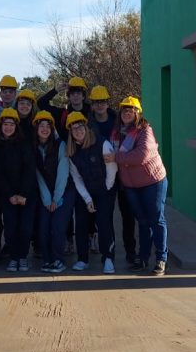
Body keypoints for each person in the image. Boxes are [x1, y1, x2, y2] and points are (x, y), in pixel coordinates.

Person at [106, 97, 169, 275]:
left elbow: (140, 156)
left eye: (131, 110)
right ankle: (142, 259)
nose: (127, 112)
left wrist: (116, 158)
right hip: (131, 185)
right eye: (124, 109)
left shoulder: (145, 131)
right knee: (142, 221)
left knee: (156, 219)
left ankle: (160, 259)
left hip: (152, 182)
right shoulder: (116, 133)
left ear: (138, 113)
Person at [64, 111, 118, 274]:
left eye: (81, 127)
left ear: (86, 128)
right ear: (71, 133)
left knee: (103, 222)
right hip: (86, 192)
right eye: (74, 129)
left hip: (106, 189)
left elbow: (112, 169)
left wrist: (104, 191)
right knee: (81, 223)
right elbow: (77, 178)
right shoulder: (72, 152)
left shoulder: (102, 144)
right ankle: (82, 259)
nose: (78, 131)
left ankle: (108, 258)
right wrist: (87, 199)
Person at [89, 85, 134, 264]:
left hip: (123, 175)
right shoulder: (87, 122)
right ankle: (107, 254)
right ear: (91, 105)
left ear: (108, 103)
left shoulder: (118, 120)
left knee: (127, 216)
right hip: (99, 176)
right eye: (96, 102)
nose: (100, 105)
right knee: (104, 217)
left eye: (103, 101)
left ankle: (131, 253)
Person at [0, 108, 37, 273]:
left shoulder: (25, 143)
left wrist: (23, 194)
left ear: (16, 126)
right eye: (5, 124)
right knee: (10, 227)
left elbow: (29, 169)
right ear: (1, 126)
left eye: (11, 124)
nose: (8, 127)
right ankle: (13, 257)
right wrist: (10, 195)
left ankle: (23, 257)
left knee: (26, 227)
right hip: (8, 196)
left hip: (27, 195)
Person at [32, 111, 72, 274]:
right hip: (45, 194)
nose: (44, 129)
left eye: (48, 126)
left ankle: (58, 260)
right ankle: (48, 260)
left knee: (57, 227)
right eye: (41, 125)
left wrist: (56, 198)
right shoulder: (32, 147)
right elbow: (37, 175)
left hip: (63, 192)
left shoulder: (60, 145)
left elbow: (63, 172)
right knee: (43, 227)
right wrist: (47, 199)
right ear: (36, 128)